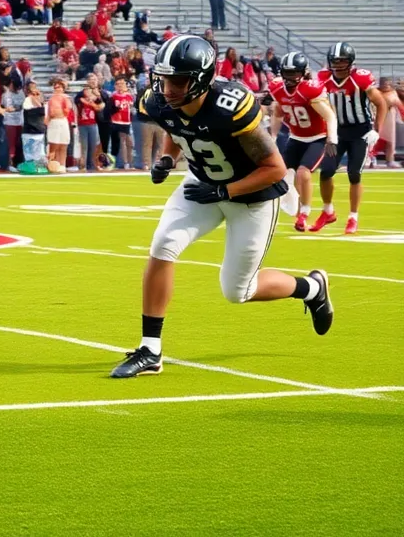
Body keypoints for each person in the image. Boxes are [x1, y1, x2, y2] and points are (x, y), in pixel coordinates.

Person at [110, 35, 333, 379]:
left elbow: (274, 169)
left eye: (178, 81)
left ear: (200, 80)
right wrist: (168, 157)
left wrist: (226, 191)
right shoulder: (159, 101)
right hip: (201, 185)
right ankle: (150, 349)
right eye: (165, 79)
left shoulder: (229, 107)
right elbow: (176, 125)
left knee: (238, 291)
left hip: (252, 197)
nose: (167, 88)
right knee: (163, 245)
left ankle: (313, 288)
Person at [311, 42, 388, 235]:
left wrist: (376, 130)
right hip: (336, 132)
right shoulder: (323, 78)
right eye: (335, 61)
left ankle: (353, 216)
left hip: (360, 131)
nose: (337, 65)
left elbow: (381, 103)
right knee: (326, 171)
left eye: (342, 61)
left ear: (350, 62)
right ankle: (328, 211)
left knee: (354, 173)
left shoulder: (359, 79)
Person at [267, 52, 338, 231]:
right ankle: (297, 212)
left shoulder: (310, 89)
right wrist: (273, 136)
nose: (290, 77)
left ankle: (304, 213)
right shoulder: (277, 88)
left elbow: (330, 115)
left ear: (303, 73)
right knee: (279, 175)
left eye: (294, 73)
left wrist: (332, 139)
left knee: (303, 173)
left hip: (317, 138)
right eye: (287, 73)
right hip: (296, 138)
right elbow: (278, 112)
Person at [45, 79, 72, 171]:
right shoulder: (51, 99)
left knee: (63, 144)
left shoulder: (66, 98)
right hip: (54, 122)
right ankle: (53, 165)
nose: (57, 89)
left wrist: (60, 113)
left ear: (63, 88)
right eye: (55, 87)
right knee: (54, 144)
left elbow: (66, 111)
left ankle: (62, 165)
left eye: (59, 87)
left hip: (62, 121)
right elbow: (51, 113)